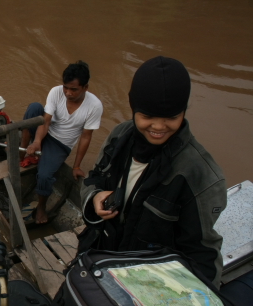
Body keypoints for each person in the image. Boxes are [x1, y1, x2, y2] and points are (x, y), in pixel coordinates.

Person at [80, 56, 226, 288]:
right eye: (147, 116)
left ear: (183, 112)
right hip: (99, 257)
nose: (158, 127)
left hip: (149, 283)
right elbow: (93, 178)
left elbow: (202, 252)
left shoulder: (199, 174)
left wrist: (206, 303)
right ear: (133, 108)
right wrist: (95, 195)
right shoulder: (119, 136)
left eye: (171, 117)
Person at [23, 61, 103, 224]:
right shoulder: (56, 92)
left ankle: (41, 207)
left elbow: (86, 137)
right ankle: (20, 154)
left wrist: (76, 166)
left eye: (74, 89)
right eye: (66, 87)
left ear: (85, 88)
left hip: (60, 144)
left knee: (44, 176)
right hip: (45, 131)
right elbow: (45, 122)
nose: (68, 92)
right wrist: (37, 142)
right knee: (34, 108)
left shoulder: (94, 106)